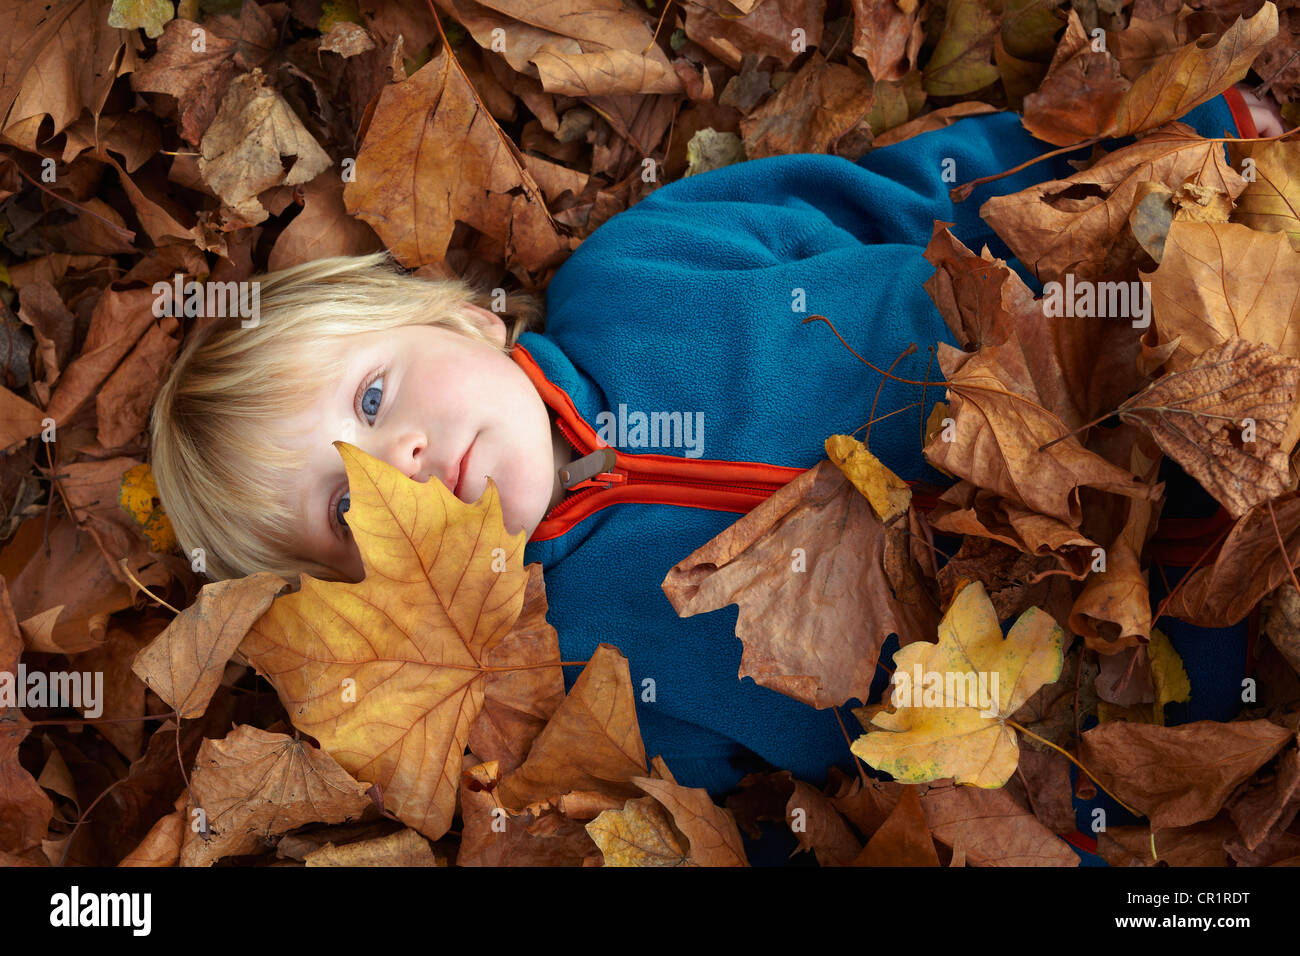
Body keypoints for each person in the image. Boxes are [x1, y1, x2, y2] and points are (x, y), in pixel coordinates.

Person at [149, 82, 1285, 864]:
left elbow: (897, 197)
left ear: (458, 320)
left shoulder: (640, 267)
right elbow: (786, 810)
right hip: (1172, 678)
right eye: (346, 503)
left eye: (372, 397)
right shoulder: (576, 668)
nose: (394, 462)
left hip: (1173, 357)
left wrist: (1179, 149)